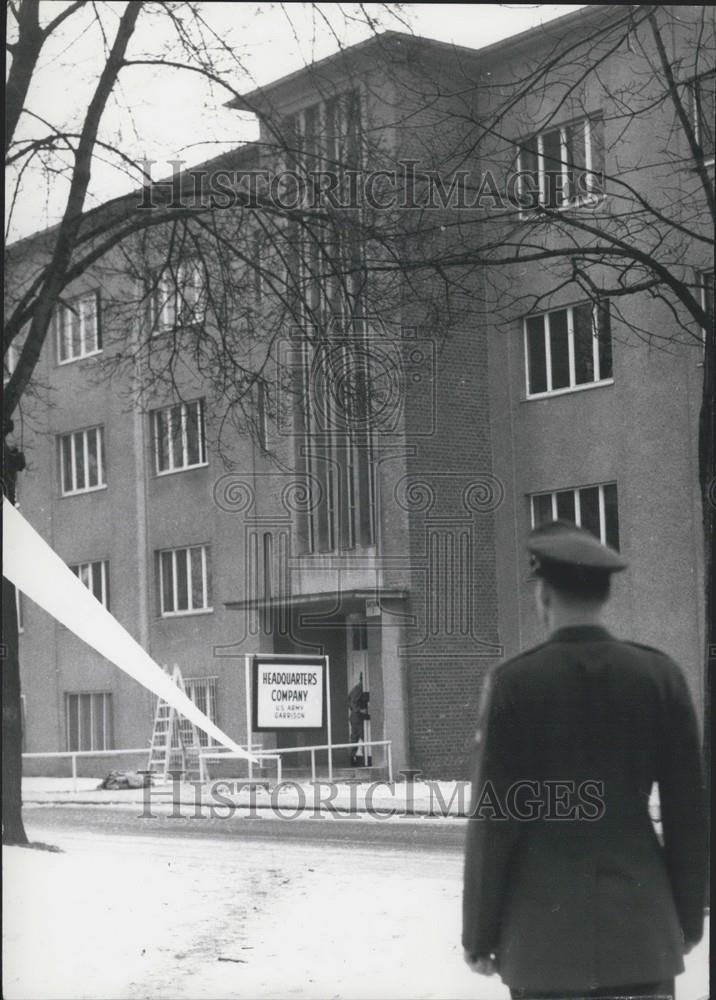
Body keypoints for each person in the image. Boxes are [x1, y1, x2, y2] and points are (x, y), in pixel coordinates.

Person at [462, 520, 707, 1000]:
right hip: (642, 935)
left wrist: (479, 934)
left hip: (542, 946)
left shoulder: (515, 683)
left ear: (544, 597)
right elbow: (689, 814)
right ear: (605, 597)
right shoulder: (660, 676)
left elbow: (495, 822)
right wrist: (688, 915)